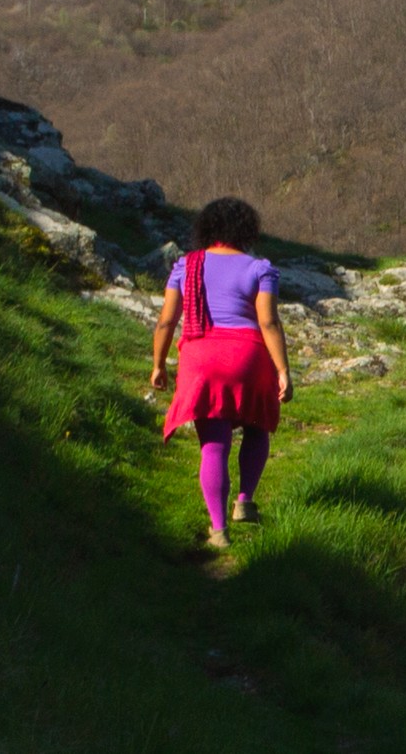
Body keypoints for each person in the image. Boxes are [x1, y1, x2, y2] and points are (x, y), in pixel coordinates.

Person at [149, 197, 292, 549]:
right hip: (248, 356)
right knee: (257, 426)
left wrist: (158, 364)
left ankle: (218, 531)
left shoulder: (186, 265)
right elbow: (268, 322)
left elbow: (167, 320)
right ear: (247, 231)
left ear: (207, 228)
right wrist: (284, 370)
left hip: (201, 356)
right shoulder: (260, 268)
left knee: (214, 444)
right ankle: (244, 501)